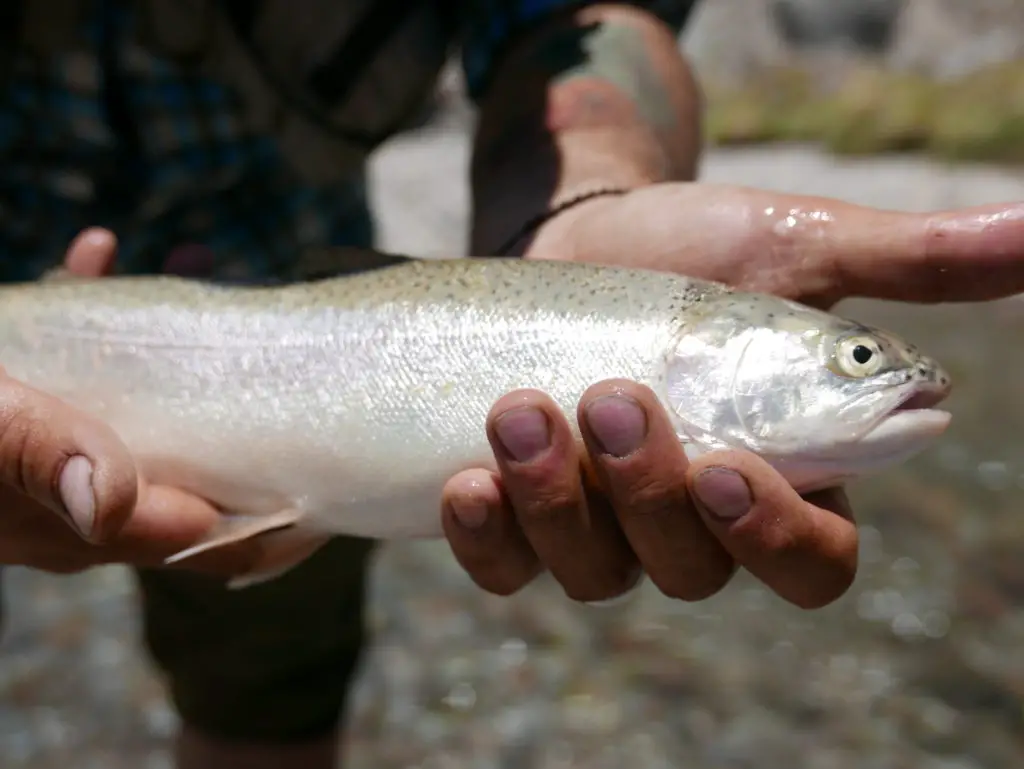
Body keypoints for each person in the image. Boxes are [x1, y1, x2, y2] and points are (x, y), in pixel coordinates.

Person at [4, 1, 1024, 767]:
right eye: (855, 359)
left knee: (267, 707)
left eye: (858, 361)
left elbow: (565, 17)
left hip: (279, 269)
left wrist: (588, 195)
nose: (885, 374)